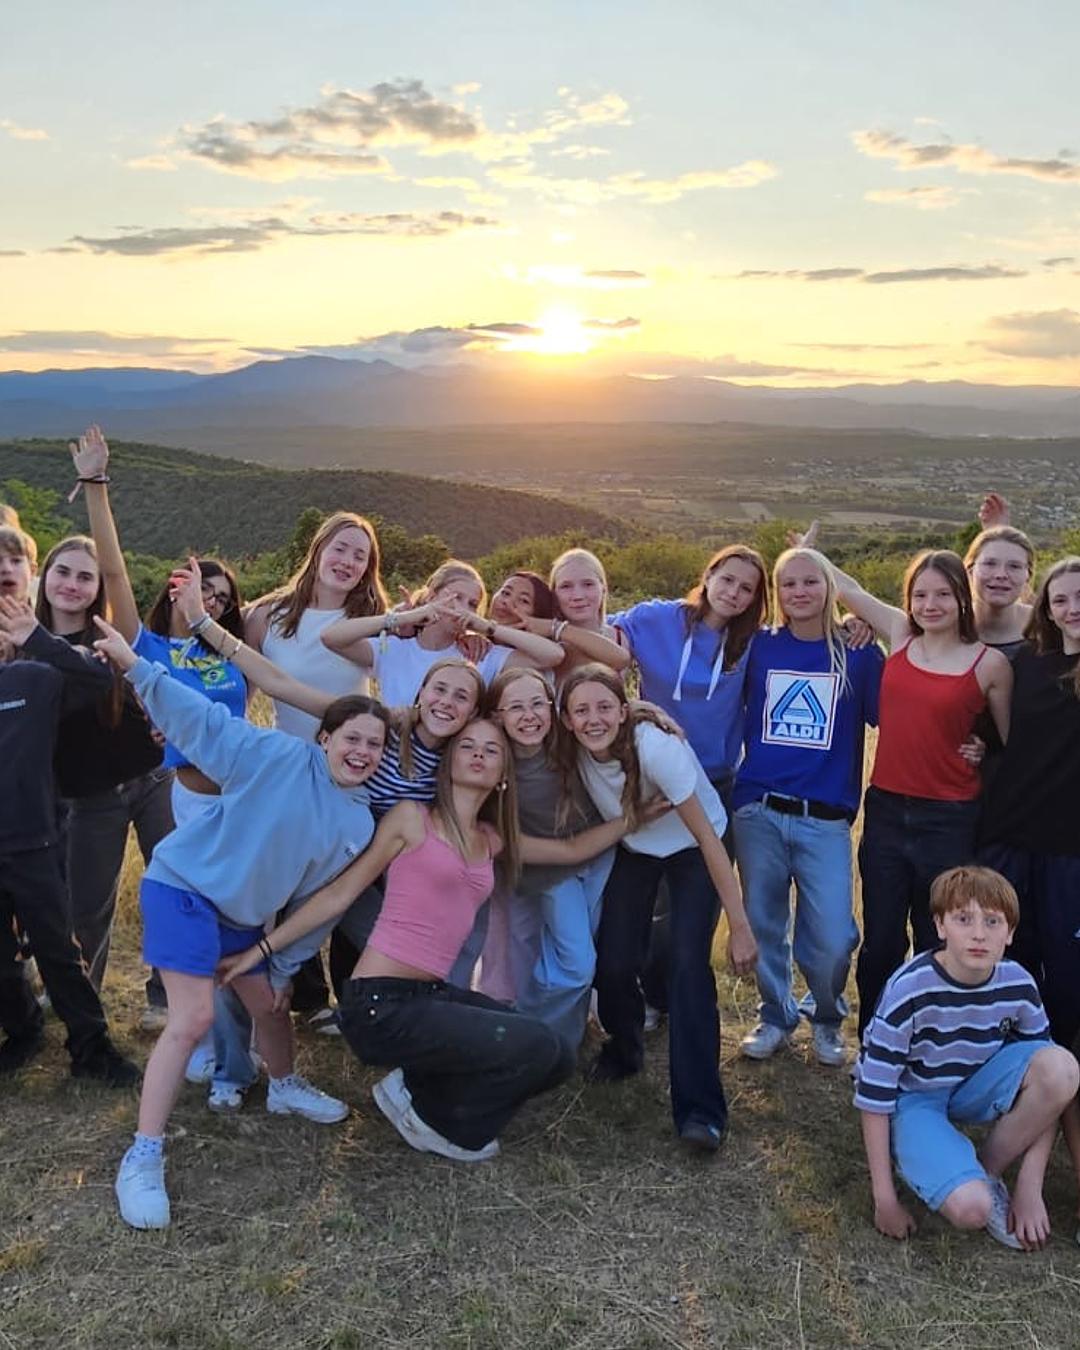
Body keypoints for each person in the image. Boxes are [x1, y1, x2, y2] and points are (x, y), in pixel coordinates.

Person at [91, 616, 388, 1230]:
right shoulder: (276, 755)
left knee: (272, 1007)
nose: (360, 752)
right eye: (351, 738)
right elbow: (202, 721)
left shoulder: (359, 824)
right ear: (325, 738)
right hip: (184, 888)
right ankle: (142, 1155)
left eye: (374, 745)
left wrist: (281, 964)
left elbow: (316, 903)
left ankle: (283, 1085)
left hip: (242, 917)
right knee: (193, 1017)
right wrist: (137, 666)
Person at [220, 720, 623, 1162]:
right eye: (467, 746)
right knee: (537, 1047)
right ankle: (437, 1121)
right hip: (378, 1005)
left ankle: (415, 1088)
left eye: (491, 750)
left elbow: (571, 850)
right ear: (447, 763)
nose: (478, 754)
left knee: (556, 1053)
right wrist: (265, 952)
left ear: (503, 774)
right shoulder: (413, 819)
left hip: (429, 995)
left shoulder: (491, 840)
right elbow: (339, 893)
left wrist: (636, 817)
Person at [556, 664, 757, 1151]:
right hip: (636, 847)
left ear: (624, 711)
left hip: (693, 846)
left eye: (604, 707)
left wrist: (740, 925)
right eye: (581, 710)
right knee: (613, 960)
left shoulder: (655, 749)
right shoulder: (568, 748)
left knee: (688, 967)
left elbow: (708, 839)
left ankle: (701, 1112)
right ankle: (625, 1051)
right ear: (565, 720)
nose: (593, 719)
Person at [825, 544, 1012, 1032]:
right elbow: (849, 590)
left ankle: (932, 1040)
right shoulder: (902, 635)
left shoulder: (989, 664)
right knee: (882, 941)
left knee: (938, 938)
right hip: (886, 810)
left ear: (962, 598)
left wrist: (984, 748)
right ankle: (875, 1041)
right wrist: (808, 554)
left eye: (943, 595)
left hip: (951, 818)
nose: (930, 605)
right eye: (920, 595)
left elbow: (1010, 744)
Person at [854, 866, 1078, 1251]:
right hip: (915, 1096)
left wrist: (1030, 1186)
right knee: (973, 1210)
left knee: (1062, 1068)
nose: (978, 934)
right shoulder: (909, 989)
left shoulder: (1018, 983)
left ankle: (988, 1170)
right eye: (963, 919)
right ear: (940, 925)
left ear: (1010, 933)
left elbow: (1049, 1081)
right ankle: (931, 1161)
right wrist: (884, 1200)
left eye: (992, 922)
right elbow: (874, 1095)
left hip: (973, 1083)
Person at [733, 547, 883, 1066]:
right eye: (789, 583)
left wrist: (866, 623)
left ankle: (826, 1014)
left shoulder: (859, 653)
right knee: (764, 922)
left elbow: (894, 716)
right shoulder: (759, 646)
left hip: (824, 820)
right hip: (759, 811)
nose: (800, 592)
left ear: (829, 587)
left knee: (835, 936)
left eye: (810, 581)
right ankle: (776, 1015)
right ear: (777, 592)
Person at [245, 511, 388, 1029]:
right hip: (288, 771)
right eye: (340, 548)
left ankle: (355, 1001)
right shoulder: (268, 615)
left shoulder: (371, 620)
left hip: (353, 775)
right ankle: (302, 997)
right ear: (318, 548)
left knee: (351, 886)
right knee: (286, 885)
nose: (347, 561)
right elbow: (242, 692)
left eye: (360, 555)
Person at [0, 582, 140, 1086]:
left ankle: (91, 1048)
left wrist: (37, 638)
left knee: (58, 951)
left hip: (33, 841)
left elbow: (100, 679)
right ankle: (23, 1029)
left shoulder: (34, 678)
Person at [977, 557, 1080, 1222]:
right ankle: (1010, 1134)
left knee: (1064, 1004)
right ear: (1045, 607)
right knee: (1011, 991)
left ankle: (1036, 1167)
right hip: (1010, 845)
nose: (1073, 608)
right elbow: (992, 739)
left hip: (1072, 859)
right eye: (1061, 598)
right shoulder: (1027, 665)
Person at [34, 535, 173, 1014]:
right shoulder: (24, 643)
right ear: (45, 576)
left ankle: (166, 996)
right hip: (87, 795)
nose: (71, 584)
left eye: (84, 577)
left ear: (98, 588)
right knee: (87, 907)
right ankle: (80, 996)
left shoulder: (114, 639)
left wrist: (165, 724)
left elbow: (158, 684)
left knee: (172, 889)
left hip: (153, 777)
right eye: (63, 572)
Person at [484, 667, 618, 1050]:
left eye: (537, 704)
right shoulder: (496, 762)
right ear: (497, 716)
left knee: (576, 951)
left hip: (599, 855)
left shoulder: (568, 739)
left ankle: (568, 1035)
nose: (529, 716)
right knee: (577, 962)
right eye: (515, 707)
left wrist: (648, 712)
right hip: (549, 872)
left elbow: (616, 716)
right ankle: (528, 1034)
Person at [322, 559, 563, 705]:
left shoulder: (480, 655)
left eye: (472, 604)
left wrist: (487, 627)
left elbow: (553, 655)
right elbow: (331, 637)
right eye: (456, 597)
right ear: (432, 595)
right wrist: (407, 617)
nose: (463, 608)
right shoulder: (394, 649)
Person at [547, 547, 630, 683]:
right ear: (554, 593)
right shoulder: (547, 644)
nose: (578, 596)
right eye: (566, 586)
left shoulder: (619, 638)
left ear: (603, 588)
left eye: (588, 584)